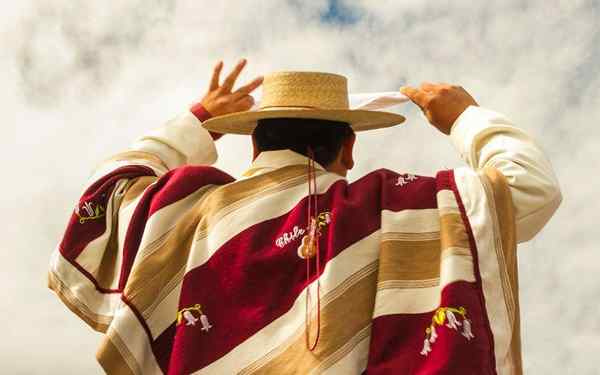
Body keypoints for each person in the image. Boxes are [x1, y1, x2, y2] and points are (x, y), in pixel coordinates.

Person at [48, 59, 561, 375]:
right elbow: (529, 187)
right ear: (350, 148)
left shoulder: (182, 215)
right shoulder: (390, 209)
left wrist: (197, 121)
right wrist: (465, 116)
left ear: (252, 141)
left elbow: (106, 195)